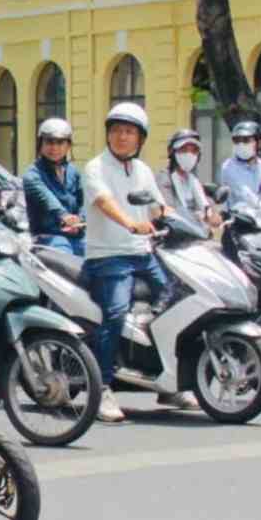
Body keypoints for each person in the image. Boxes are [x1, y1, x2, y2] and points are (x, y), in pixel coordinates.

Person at [81, 103, 180, 419]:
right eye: (117, 131)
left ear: (140, 138)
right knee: (116, 313)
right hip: (108, 256)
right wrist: (129, 223)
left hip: (143, 253)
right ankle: (103, 388)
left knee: (177, 299)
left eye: (129, 132)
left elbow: (158, 208)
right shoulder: (96, 168)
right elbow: (104, 202)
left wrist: (192, 223)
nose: (122, 137)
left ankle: (169, 381)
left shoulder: (142, 171)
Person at [21, 117, 86, 255]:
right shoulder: (32, 174)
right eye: (49, 142)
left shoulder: (73, 172)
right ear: (40, 144)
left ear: (68, 145)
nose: (54, 147)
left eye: (60, 142)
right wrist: (65, 217)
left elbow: (83, 202)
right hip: (48, 238)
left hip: (76, 236)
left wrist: (80, 220)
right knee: (67, 261)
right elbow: (48, 200)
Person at [156, 128, 222, 230]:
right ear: (172, 152)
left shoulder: (193, 181)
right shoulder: (164, 178)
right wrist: (198, 216)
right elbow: (168, 210)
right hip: (170, 238)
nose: (189, 154)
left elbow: (208, 207)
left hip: (195, 236)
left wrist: (213, 214)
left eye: (194, 151)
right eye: (183, 150)